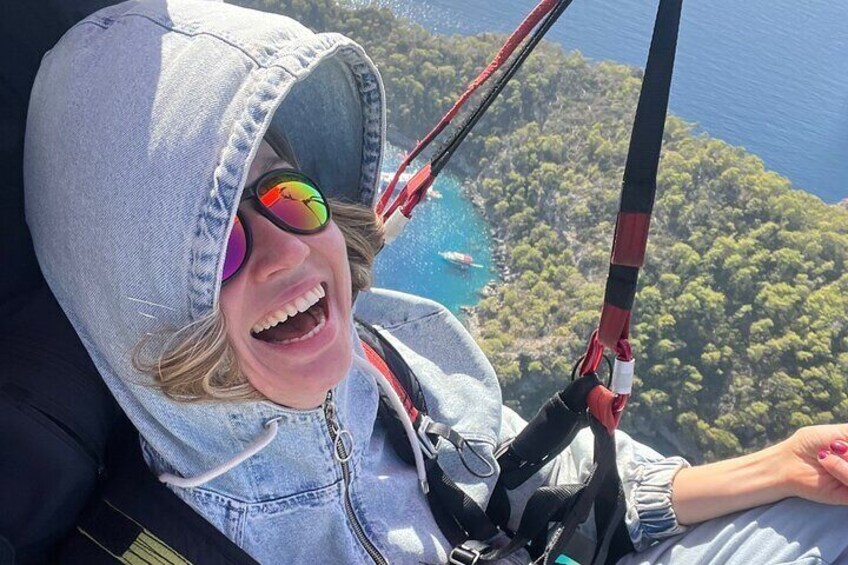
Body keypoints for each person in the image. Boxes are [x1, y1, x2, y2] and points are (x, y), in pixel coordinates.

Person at [21, 0, 848, 563]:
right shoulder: (155, 538)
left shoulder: (392, 359)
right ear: (135, 294)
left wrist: (775, 469)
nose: (284, 250)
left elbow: (523, 486)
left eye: (285, 192)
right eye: (215, 241)